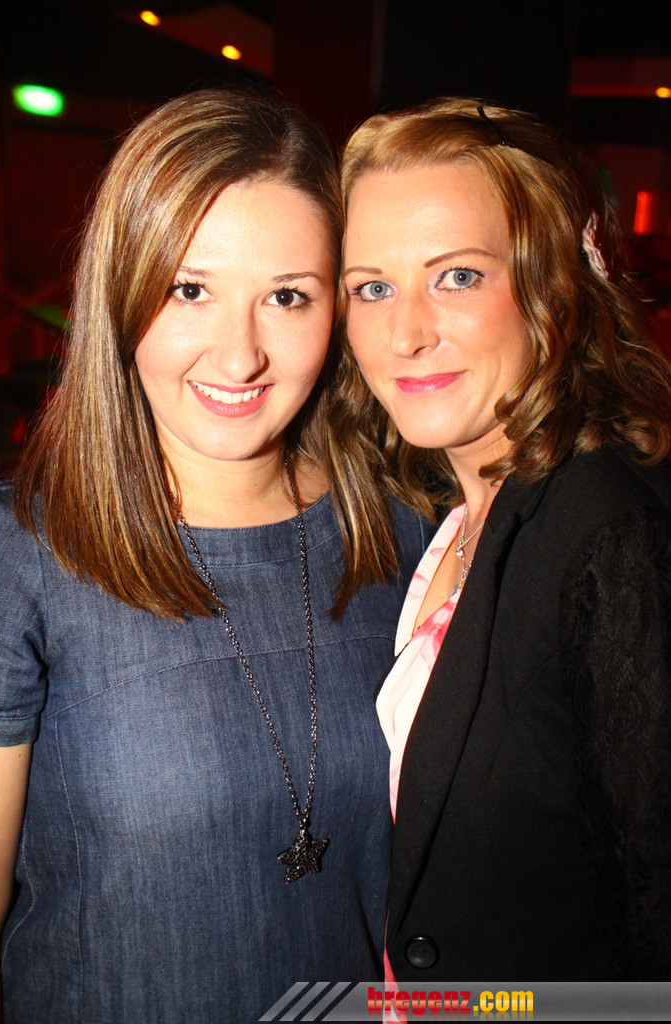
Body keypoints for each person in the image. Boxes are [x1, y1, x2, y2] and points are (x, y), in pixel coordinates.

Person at [0, 90, 432, 1024]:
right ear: (121, 291)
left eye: (287, 296)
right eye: (189, 290)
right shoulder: (18, 560)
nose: (239, 358)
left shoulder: (409, 536)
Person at [340, 97, 671, 981]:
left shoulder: (613, 538)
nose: (405, 334)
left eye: (456, 276)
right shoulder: (448, 514)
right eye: (372, 287)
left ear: (553, 285)